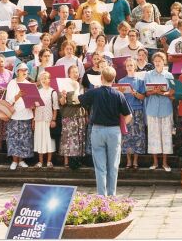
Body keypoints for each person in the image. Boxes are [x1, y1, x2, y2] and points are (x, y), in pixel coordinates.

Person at [78, 66, 132, 196]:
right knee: (113, 165)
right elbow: (128, 115)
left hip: (97, 130)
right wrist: (122, 125)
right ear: (114, 79)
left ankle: (102, 195)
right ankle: (112, 195)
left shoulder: (94, 92)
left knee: (100, 166)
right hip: (114, 131)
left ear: (101, 78)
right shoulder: (119, 94)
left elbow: (80, 99)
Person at [144, 52, 174, 171]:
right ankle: (155, 162)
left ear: (164, 62)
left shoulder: (169, 75)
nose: (157, 63)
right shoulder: (148, 74)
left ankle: (165, 163)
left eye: (159, 61)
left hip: (166, 108)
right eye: (155, 61)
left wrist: (162, 93)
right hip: (152, 108)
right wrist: (153, 91)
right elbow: (145, 92)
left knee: (166, 135)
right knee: (153, 136)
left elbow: (172, 92)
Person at [4, 63, 35, 170]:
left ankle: (21, 160)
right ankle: (14, 161)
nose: (24, 72)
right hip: (14, 115)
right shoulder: (12, 83)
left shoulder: (29, 84)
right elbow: (8, 101)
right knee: (13, 139)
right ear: (17, 72)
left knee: (24, 139)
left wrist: (33, 104)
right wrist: (18, 95)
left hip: (26, 115)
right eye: (22, 70)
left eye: (26, 70)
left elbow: (33, 102)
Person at [118, 58, 147, 169]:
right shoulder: (121, 81)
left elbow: (143, 97)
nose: (130, 67)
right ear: (125, 67)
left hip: (137, 110)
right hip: (125, 111)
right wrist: (120, 93)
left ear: (135, 66)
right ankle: (128, 160)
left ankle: (135, 160)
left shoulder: (140, 81)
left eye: (131, 65)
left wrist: (134, 93)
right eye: (128, 65)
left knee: (138, 135)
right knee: (126, 135)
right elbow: (118, 99)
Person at [59, 65, 87, 167]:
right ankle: (66, 161)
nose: (75, 74)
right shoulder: (64, 86)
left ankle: (77, 160)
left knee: (79, 137)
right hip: (68, 114)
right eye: (73, 72)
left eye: (77, 72)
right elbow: (62, 103)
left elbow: (84, 101)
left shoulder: (81, 86)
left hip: (80, 114)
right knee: (67, 138)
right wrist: (63, 96)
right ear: (69, 74)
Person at [33, 71, 59, 168]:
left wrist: (54, 120)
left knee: (49, 140)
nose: (44, 80)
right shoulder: (37, 92)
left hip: (48, 119)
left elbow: (55, 108)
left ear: (49, 79)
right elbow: (34, 107)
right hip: (39, 119)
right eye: (42, 78)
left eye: (46, 78)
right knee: (40, 140)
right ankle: (40, 161)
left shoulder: (53, 92)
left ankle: (49, 161)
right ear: (40, 80)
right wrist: (33, 120)